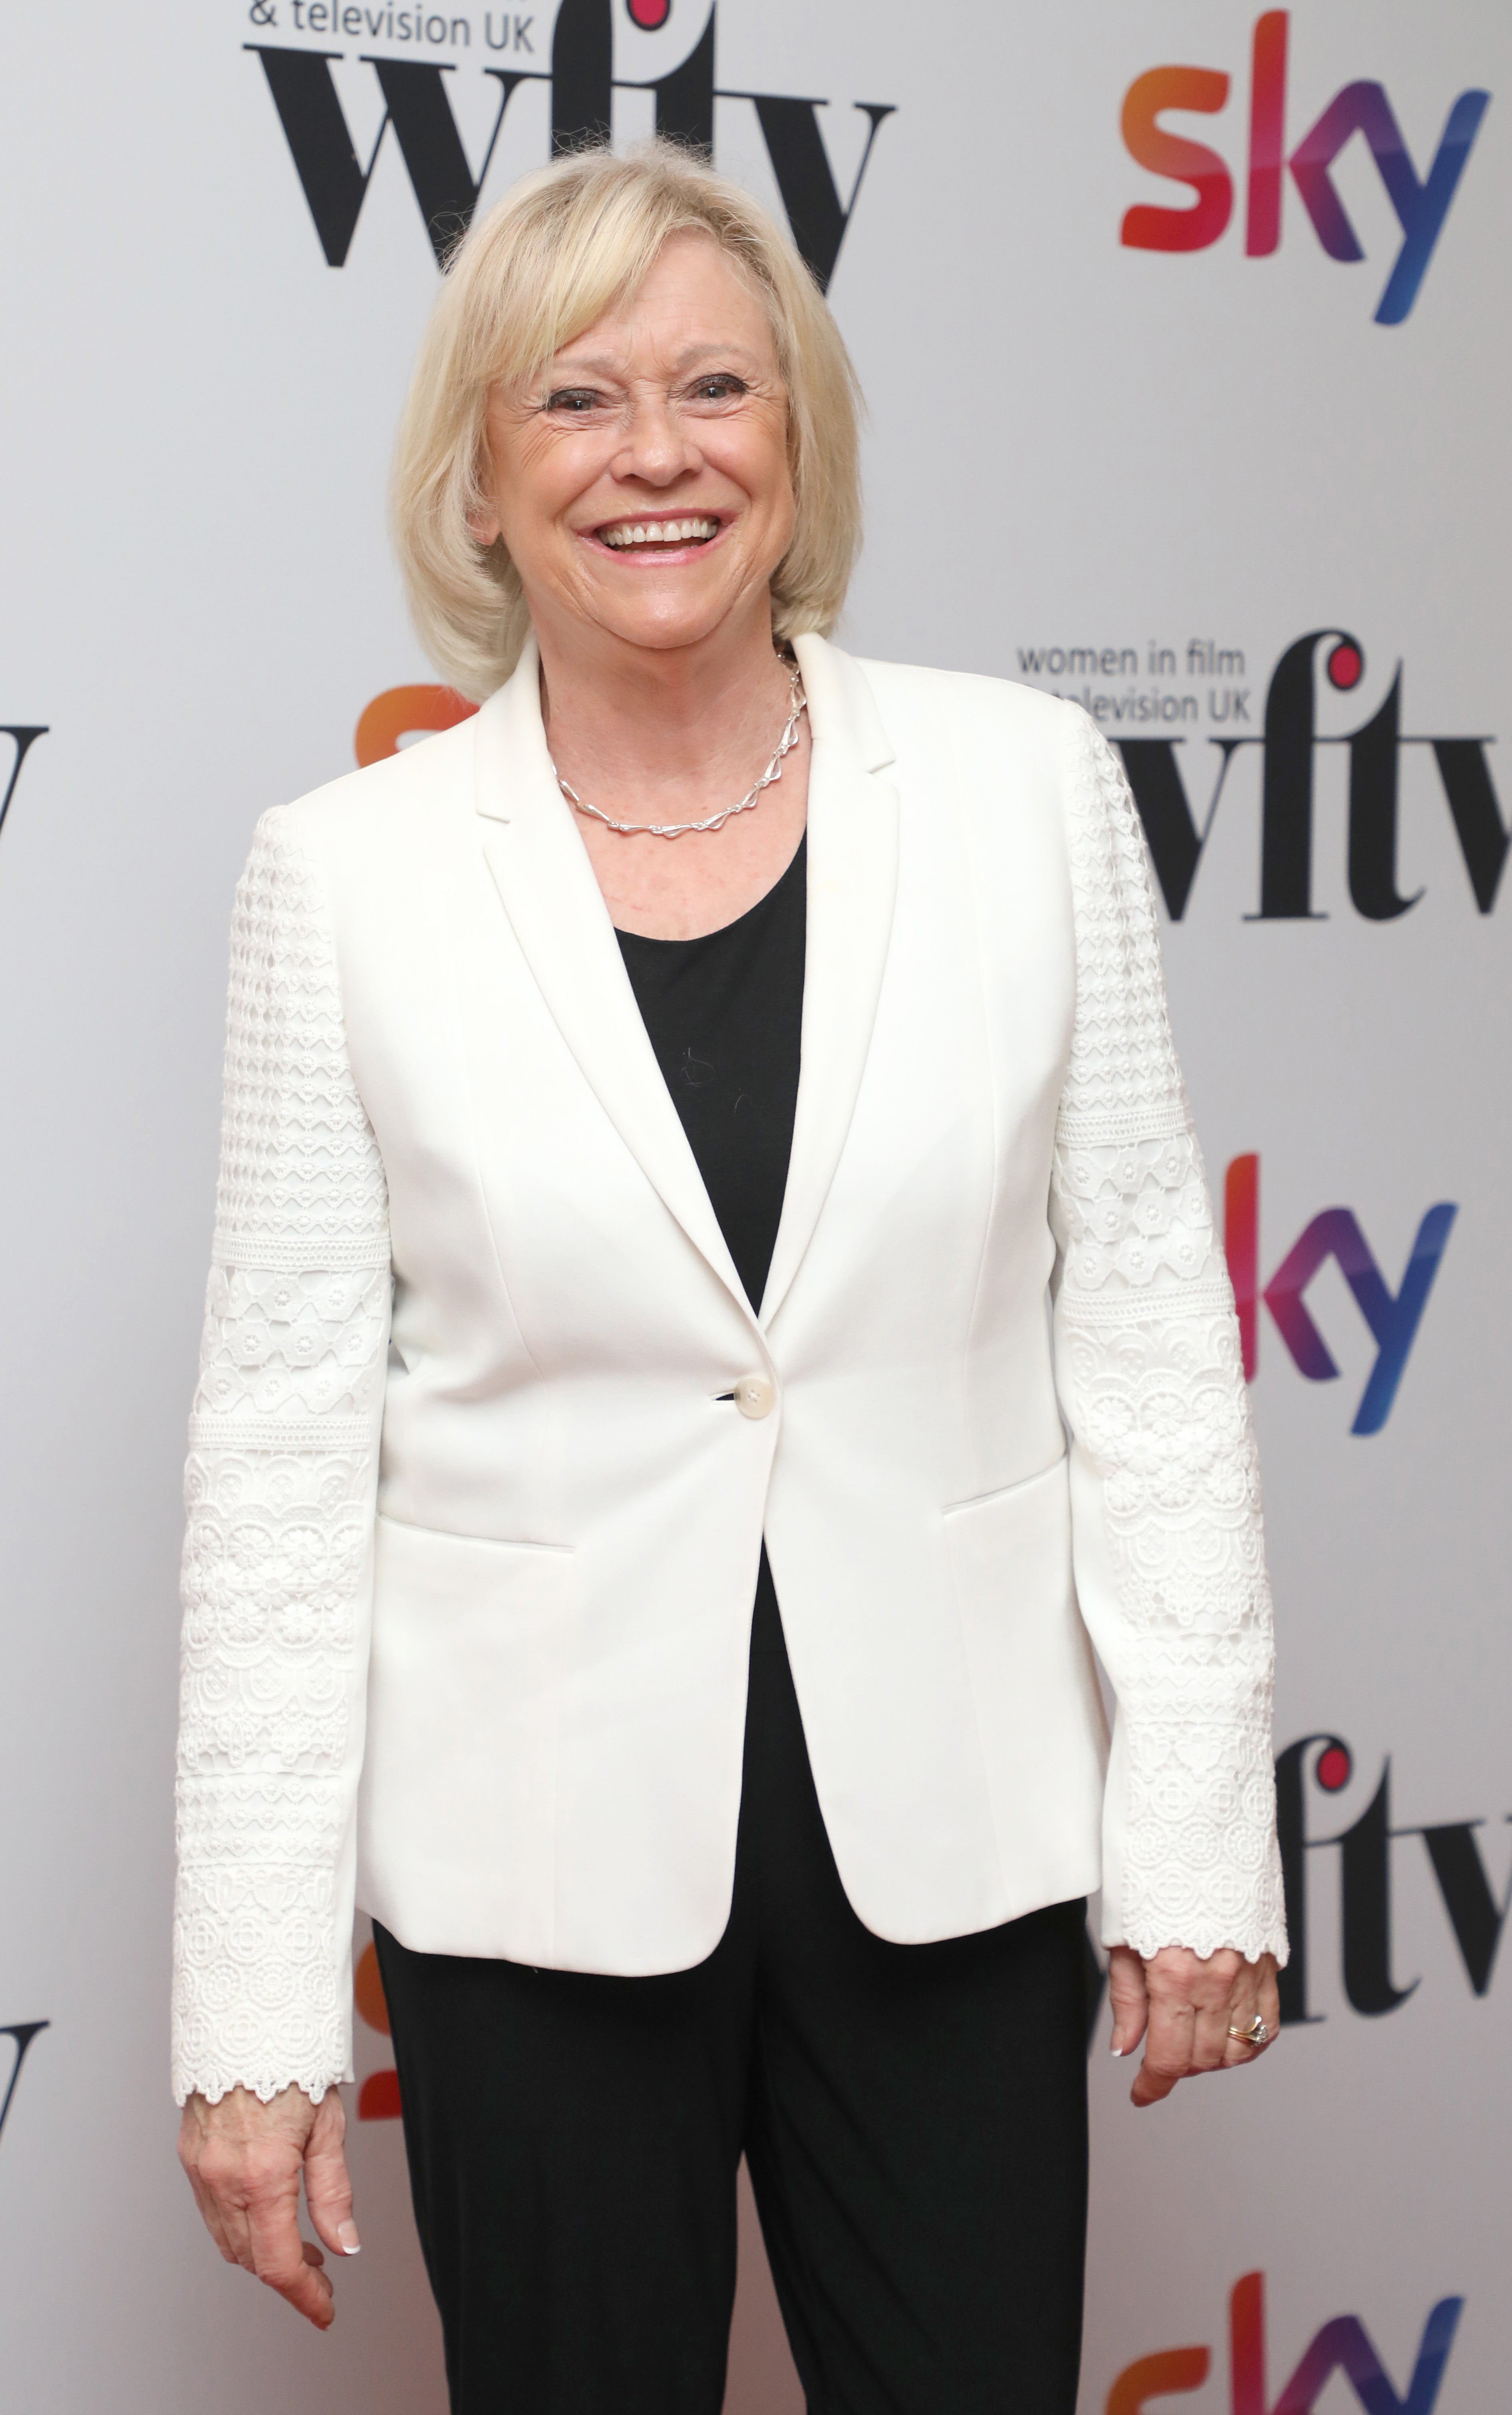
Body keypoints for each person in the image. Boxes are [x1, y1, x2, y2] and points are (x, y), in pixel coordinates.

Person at [173, 142, 1286, 2414]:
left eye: (713, 386)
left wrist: (1188, 1824)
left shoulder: (1027, 788)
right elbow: (281, 1481)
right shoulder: (347, 879)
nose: (656, 453)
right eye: (574, 400)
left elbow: (1153, 1346)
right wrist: (253, 2017)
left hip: (951, 1852)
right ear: (478, 483)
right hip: (536, 1880)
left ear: (799, 439)